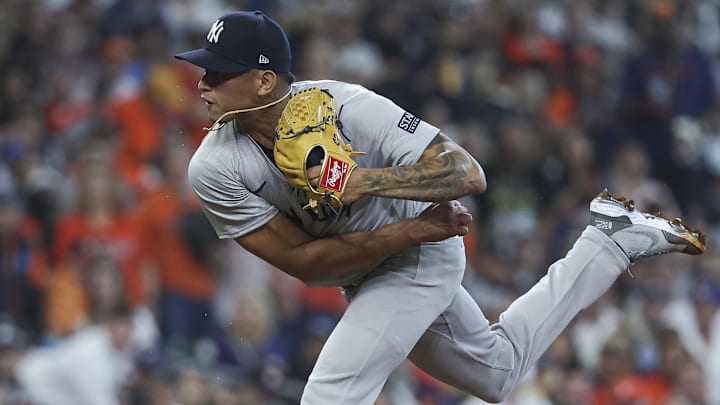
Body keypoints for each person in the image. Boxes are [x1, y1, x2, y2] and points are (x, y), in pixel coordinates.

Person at [175, 10, 706, 405]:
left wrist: (364, 181)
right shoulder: (214, 167)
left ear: (265, 81)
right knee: (497, 373)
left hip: (421, 254)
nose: (203, 82)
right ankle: (608, 243)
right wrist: (404, 231)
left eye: (218, 73)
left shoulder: (349, 107)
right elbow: (304, 263)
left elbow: (467, 172)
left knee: (328, 397)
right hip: (387, 252)